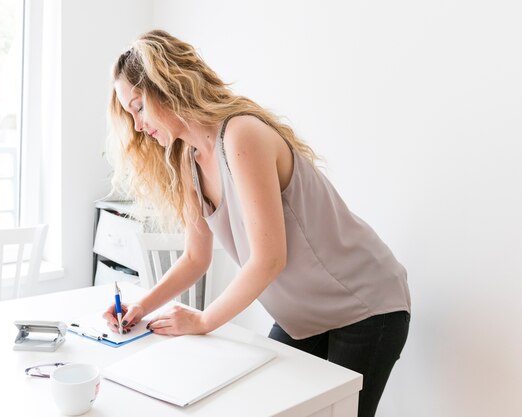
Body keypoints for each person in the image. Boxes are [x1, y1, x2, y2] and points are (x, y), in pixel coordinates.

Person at [103, 29, 410, 417]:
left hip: (366, 306)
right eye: (129, 115)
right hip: (303, 318)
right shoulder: (187, 160)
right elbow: (196, 258)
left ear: (168, 86)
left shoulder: (240, 134)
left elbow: (268, 259)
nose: (137, 124)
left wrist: (202, 319)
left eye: (139, 107)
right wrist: (140, 307)